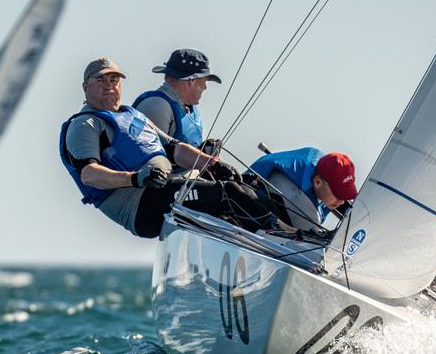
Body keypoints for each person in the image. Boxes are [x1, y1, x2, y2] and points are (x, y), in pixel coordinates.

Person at [60, 57, 283, 238]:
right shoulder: (85, 124)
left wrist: (214, 164)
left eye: (114, 80)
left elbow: (174, 148)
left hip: (162, 191)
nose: (109, 85)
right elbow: (89, 175)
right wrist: (136, 178)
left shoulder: (132, 115)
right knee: (227, 194)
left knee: (244, 184)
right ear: (85, 87)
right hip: (140, 207)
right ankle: (282, 236)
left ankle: (288, 234)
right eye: (101, 81)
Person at [248, 148, 357, 232]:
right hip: (253, 198)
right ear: (317, 182)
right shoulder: (303, 203)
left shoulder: (322, 161)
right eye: (338, 194)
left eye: (344, 194)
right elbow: (310, 248)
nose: (342, 201)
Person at [132, 49, 220, 151]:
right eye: (203, 82)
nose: (205, 87)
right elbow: (146, 156)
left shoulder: (188, 108)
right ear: (192, 80)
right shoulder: (157, 106)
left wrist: (202, 154)